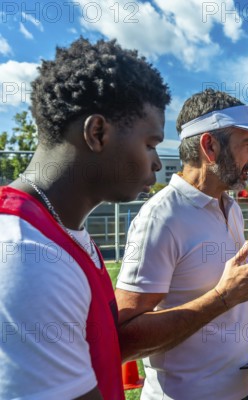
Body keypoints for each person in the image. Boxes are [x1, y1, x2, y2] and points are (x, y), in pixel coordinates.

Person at [0, 38, 170, 399]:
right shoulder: (25, 254)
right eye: (151, 144)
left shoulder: (63, 230)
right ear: (97, 133)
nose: (156, 162)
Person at [115, 89, 248, 400]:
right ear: (210, 146)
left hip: (243, 391)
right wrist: (223, 297)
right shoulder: (161, 217)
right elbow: (122, 340)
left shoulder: (231, 207)